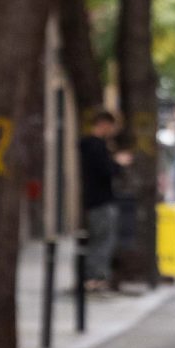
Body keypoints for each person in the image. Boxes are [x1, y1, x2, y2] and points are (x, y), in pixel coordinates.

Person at [78, 107, 123, 288]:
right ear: (104, 124)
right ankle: (96, 278)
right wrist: (117, 163)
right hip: (101, 200)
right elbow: (106, 171)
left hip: (95, 200)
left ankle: (95, 277)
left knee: (100, 239)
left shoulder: (88, 145)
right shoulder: (96, 146)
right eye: (111, 127)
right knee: (103, 240)